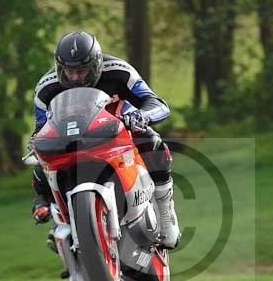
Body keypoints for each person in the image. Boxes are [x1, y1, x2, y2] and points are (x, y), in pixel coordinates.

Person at [28, 31, 181, 249]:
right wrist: (36, 140)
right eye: (68, 71)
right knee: (39, 162)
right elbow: (41, 128)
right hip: (71, 142)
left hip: (115, 132)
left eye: (81, 71)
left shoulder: (119, 71)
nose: (74, 78)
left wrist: (142, 116)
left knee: (151, 140)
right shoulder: (46, 88)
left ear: (96, 64)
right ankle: (59, 219)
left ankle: (166, 212)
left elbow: (157, 103)